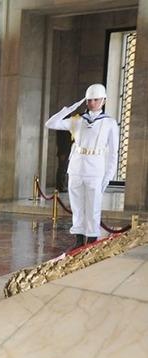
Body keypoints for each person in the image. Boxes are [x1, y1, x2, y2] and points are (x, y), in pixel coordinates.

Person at [45, 83, 119, 249]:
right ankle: (78, 241)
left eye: (96, 99)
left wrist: (108, 177)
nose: (92, 103)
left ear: (104, 100)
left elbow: (113, 153)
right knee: (77, 206)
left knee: (93, 207)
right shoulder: (77, 120)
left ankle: (91, 241)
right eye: (89, 100)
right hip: (76, 168)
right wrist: (70, 108)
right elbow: (50, 123)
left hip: (95, 169)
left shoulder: (109, 123)